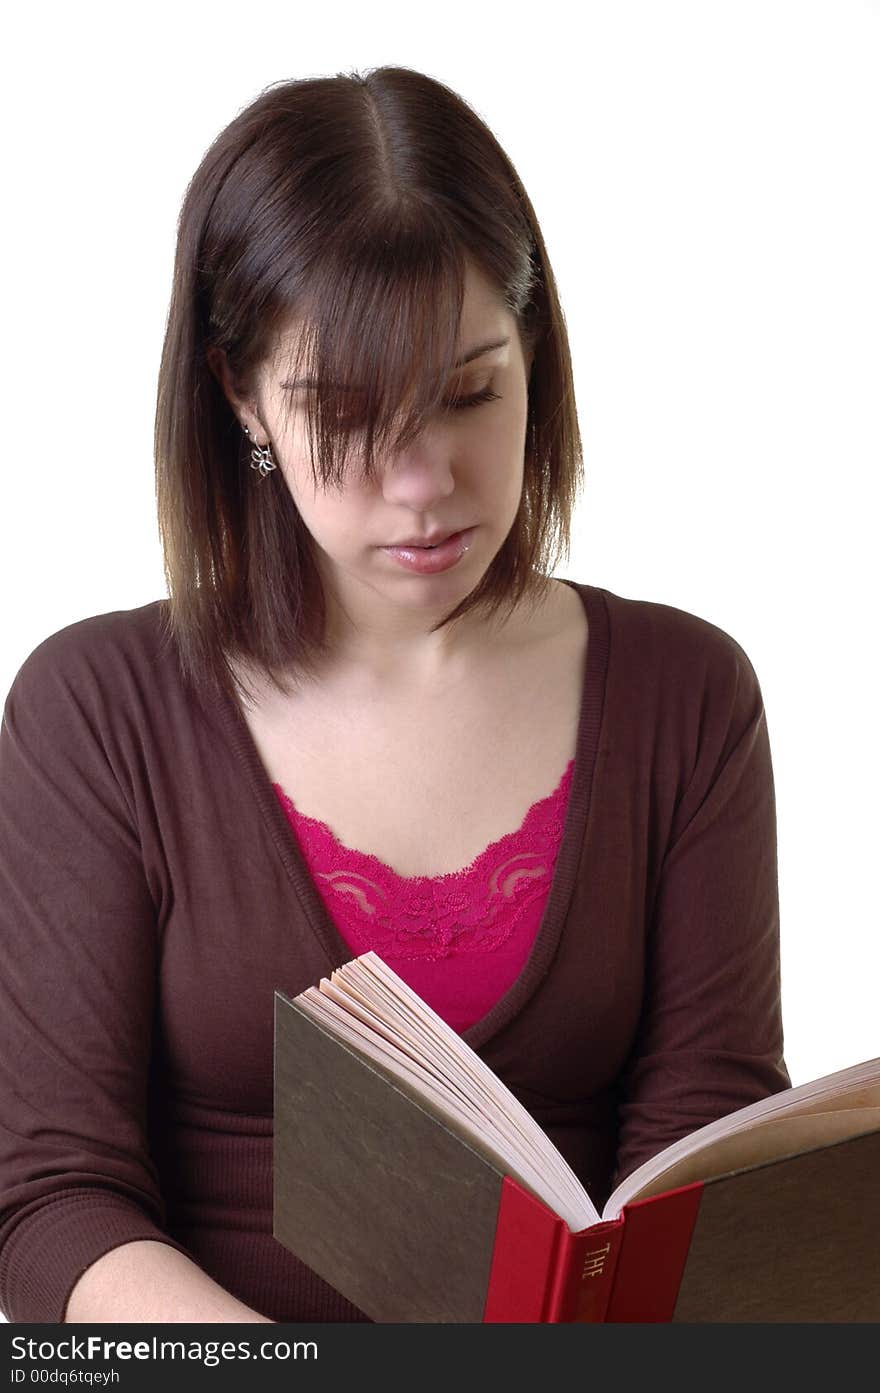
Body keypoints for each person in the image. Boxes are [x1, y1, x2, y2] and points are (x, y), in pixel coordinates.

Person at [0, 65, 790, 1325]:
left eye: (472, 392)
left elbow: (703, 1148)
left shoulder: (686, 696)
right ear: (240, 394)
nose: (426, 485)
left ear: (534, 356)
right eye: (349, 414)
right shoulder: (95, 710)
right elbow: (47, 1200)